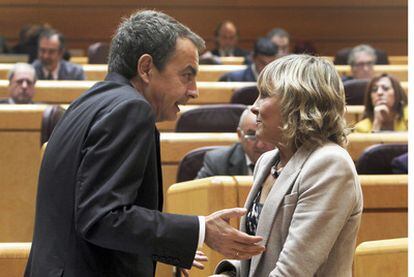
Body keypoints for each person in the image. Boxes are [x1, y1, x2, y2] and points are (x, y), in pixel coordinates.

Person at [25, 10, 265, 277]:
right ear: (146, 68)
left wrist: (169, 248)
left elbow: (91, 217)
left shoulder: (86, 102)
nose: (194, 91)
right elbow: (102, 218)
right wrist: (200, 230)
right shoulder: (131, 110)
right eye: (186, 75)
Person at [214, 54, 363, 276]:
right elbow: (262, 258)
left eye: (264, 95)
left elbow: (293, 270)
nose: (254, 107)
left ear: (298, 103)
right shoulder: (268, 161)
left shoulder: (330, 164)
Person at [197, 109, 274, 178]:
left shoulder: (284, 161)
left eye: (267, 135)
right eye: (251, 135)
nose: (260, 145)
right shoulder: (217, 162)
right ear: (240, 135)